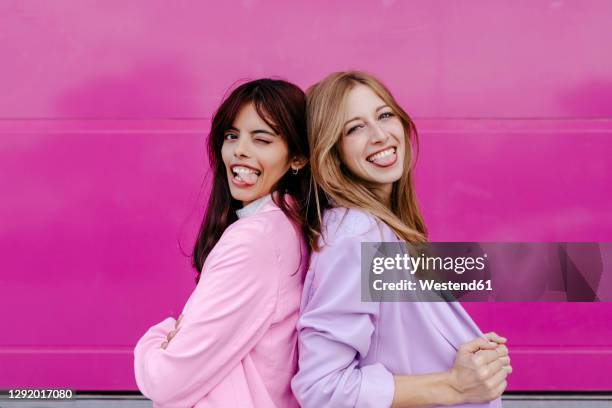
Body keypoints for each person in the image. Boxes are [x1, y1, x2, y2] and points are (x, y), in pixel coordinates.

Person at [292, 71, 512, 408]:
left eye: (384, 115)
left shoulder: (384, 228)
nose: (380, 135)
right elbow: (324, 388)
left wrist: (471, 353)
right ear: (332, 152)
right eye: (354, 128)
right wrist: (454, 386)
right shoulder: (356, 235)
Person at [134, 78, 310, 407]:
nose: (239, 150)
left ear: (297, 158)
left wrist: (162, 335)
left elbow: (164, 381)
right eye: (232, 136)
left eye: (262, 139)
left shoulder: (254, 241)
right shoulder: (292, 223)